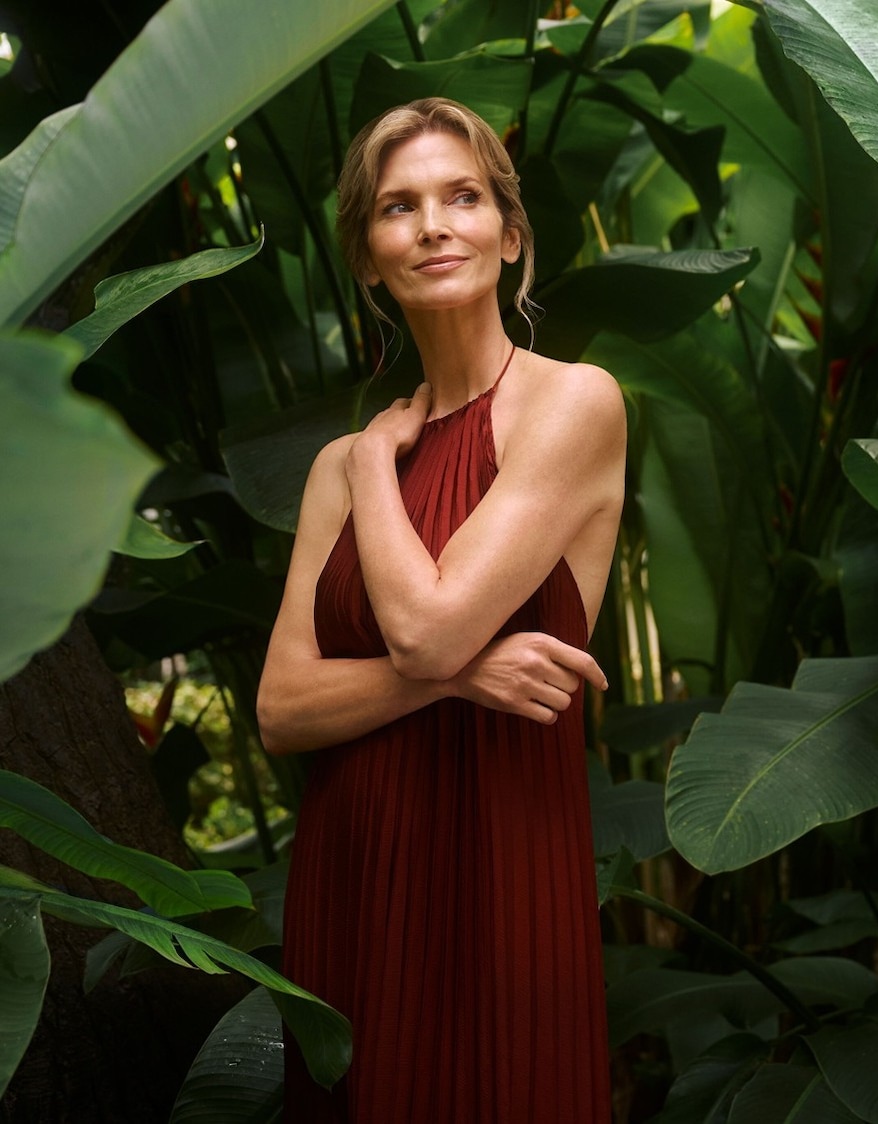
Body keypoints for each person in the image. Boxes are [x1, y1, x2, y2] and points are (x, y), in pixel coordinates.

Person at [256, 96, 624, 1123]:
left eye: (463, 197)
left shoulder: (573, 403)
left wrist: (379, 460)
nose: (432, 224)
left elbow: (425, 627)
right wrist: (465, 673)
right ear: (368, 258)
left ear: (510, 236)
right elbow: (283, 708)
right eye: (398, 206)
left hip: (501, 872)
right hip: (356, 876)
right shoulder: (337, 464)